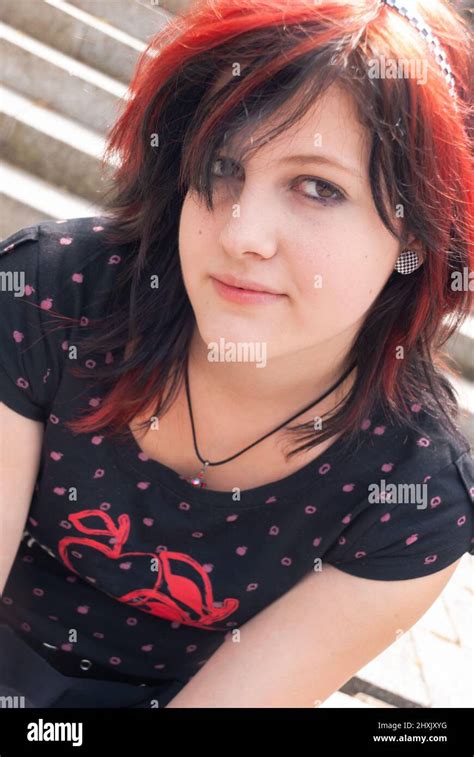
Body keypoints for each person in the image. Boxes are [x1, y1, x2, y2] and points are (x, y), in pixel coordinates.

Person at [0, 0, 472, 708]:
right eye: (223, 166)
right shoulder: (54, 296)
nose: (242, 232)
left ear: (417, 235)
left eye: (318, 187)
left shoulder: (413, 494)